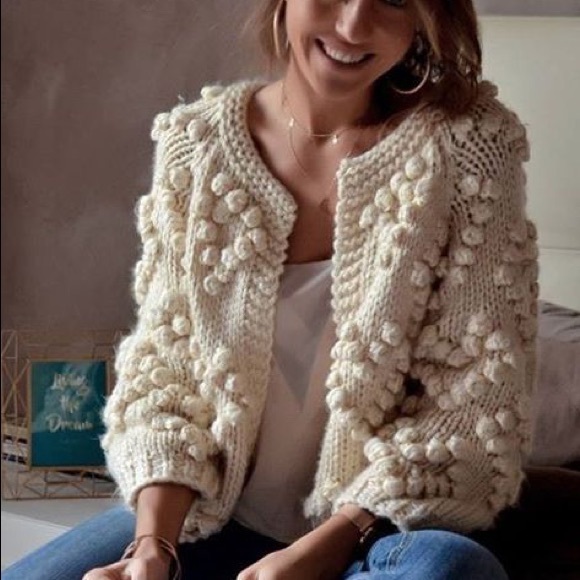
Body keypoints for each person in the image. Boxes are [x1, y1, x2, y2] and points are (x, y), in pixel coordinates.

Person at [4, 0, 539, 578]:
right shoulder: (197, 143)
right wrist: (152, 547)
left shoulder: (468, 146)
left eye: (392, 0)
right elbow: (165, 372)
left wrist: (327, 546)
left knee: (452, 568)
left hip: (379, 533)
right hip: (214, 516)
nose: (352, 26)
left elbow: (473, 402)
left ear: (423, 19)